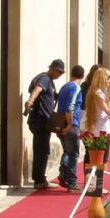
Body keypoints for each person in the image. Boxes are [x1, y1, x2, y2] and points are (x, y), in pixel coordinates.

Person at [25, 58, 65, 190]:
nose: (59, 75)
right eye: (58, 72)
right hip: (40, 120)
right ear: (52, 69)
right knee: (41, 150)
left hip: (43, 121)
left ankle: (40, 178)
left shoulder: (50, 81)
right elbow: (38, 89)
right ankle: (40, 180)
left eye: (61, 73)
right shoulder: (45, 78)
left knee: (42, 150)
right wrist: (30, 101)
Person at [80, 66, 110, 197]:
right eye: (108, 78)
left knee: (94, 159)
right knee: (100, 160)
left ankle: (92, 185)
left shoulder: (96, 92)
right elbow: (108, 111)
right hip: (98, 131)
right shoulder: (98, 93)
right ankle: (95, 186)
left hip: (98, 129)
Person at [55, 65, 85, 191]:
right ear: (82, 76)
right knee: (73, 154)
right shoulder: (75, 87)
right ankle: (71, 180)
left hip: (60, 122)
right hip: (70, 123)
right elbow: (70, 106)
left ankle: (63, 174)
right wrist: (70, 124)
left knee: (67, 151)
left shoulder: (65, 86)